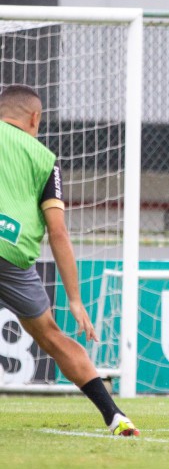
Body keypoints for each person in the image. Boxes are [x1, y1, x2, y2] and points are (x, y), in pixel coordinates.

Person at [0, 84, 139, 437]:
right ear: (35, 118)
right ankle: (115, 415)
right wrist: (75, 300)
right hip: (12, 253)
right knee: (51, 337)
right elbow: (58, 233)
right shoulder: (45, 159)